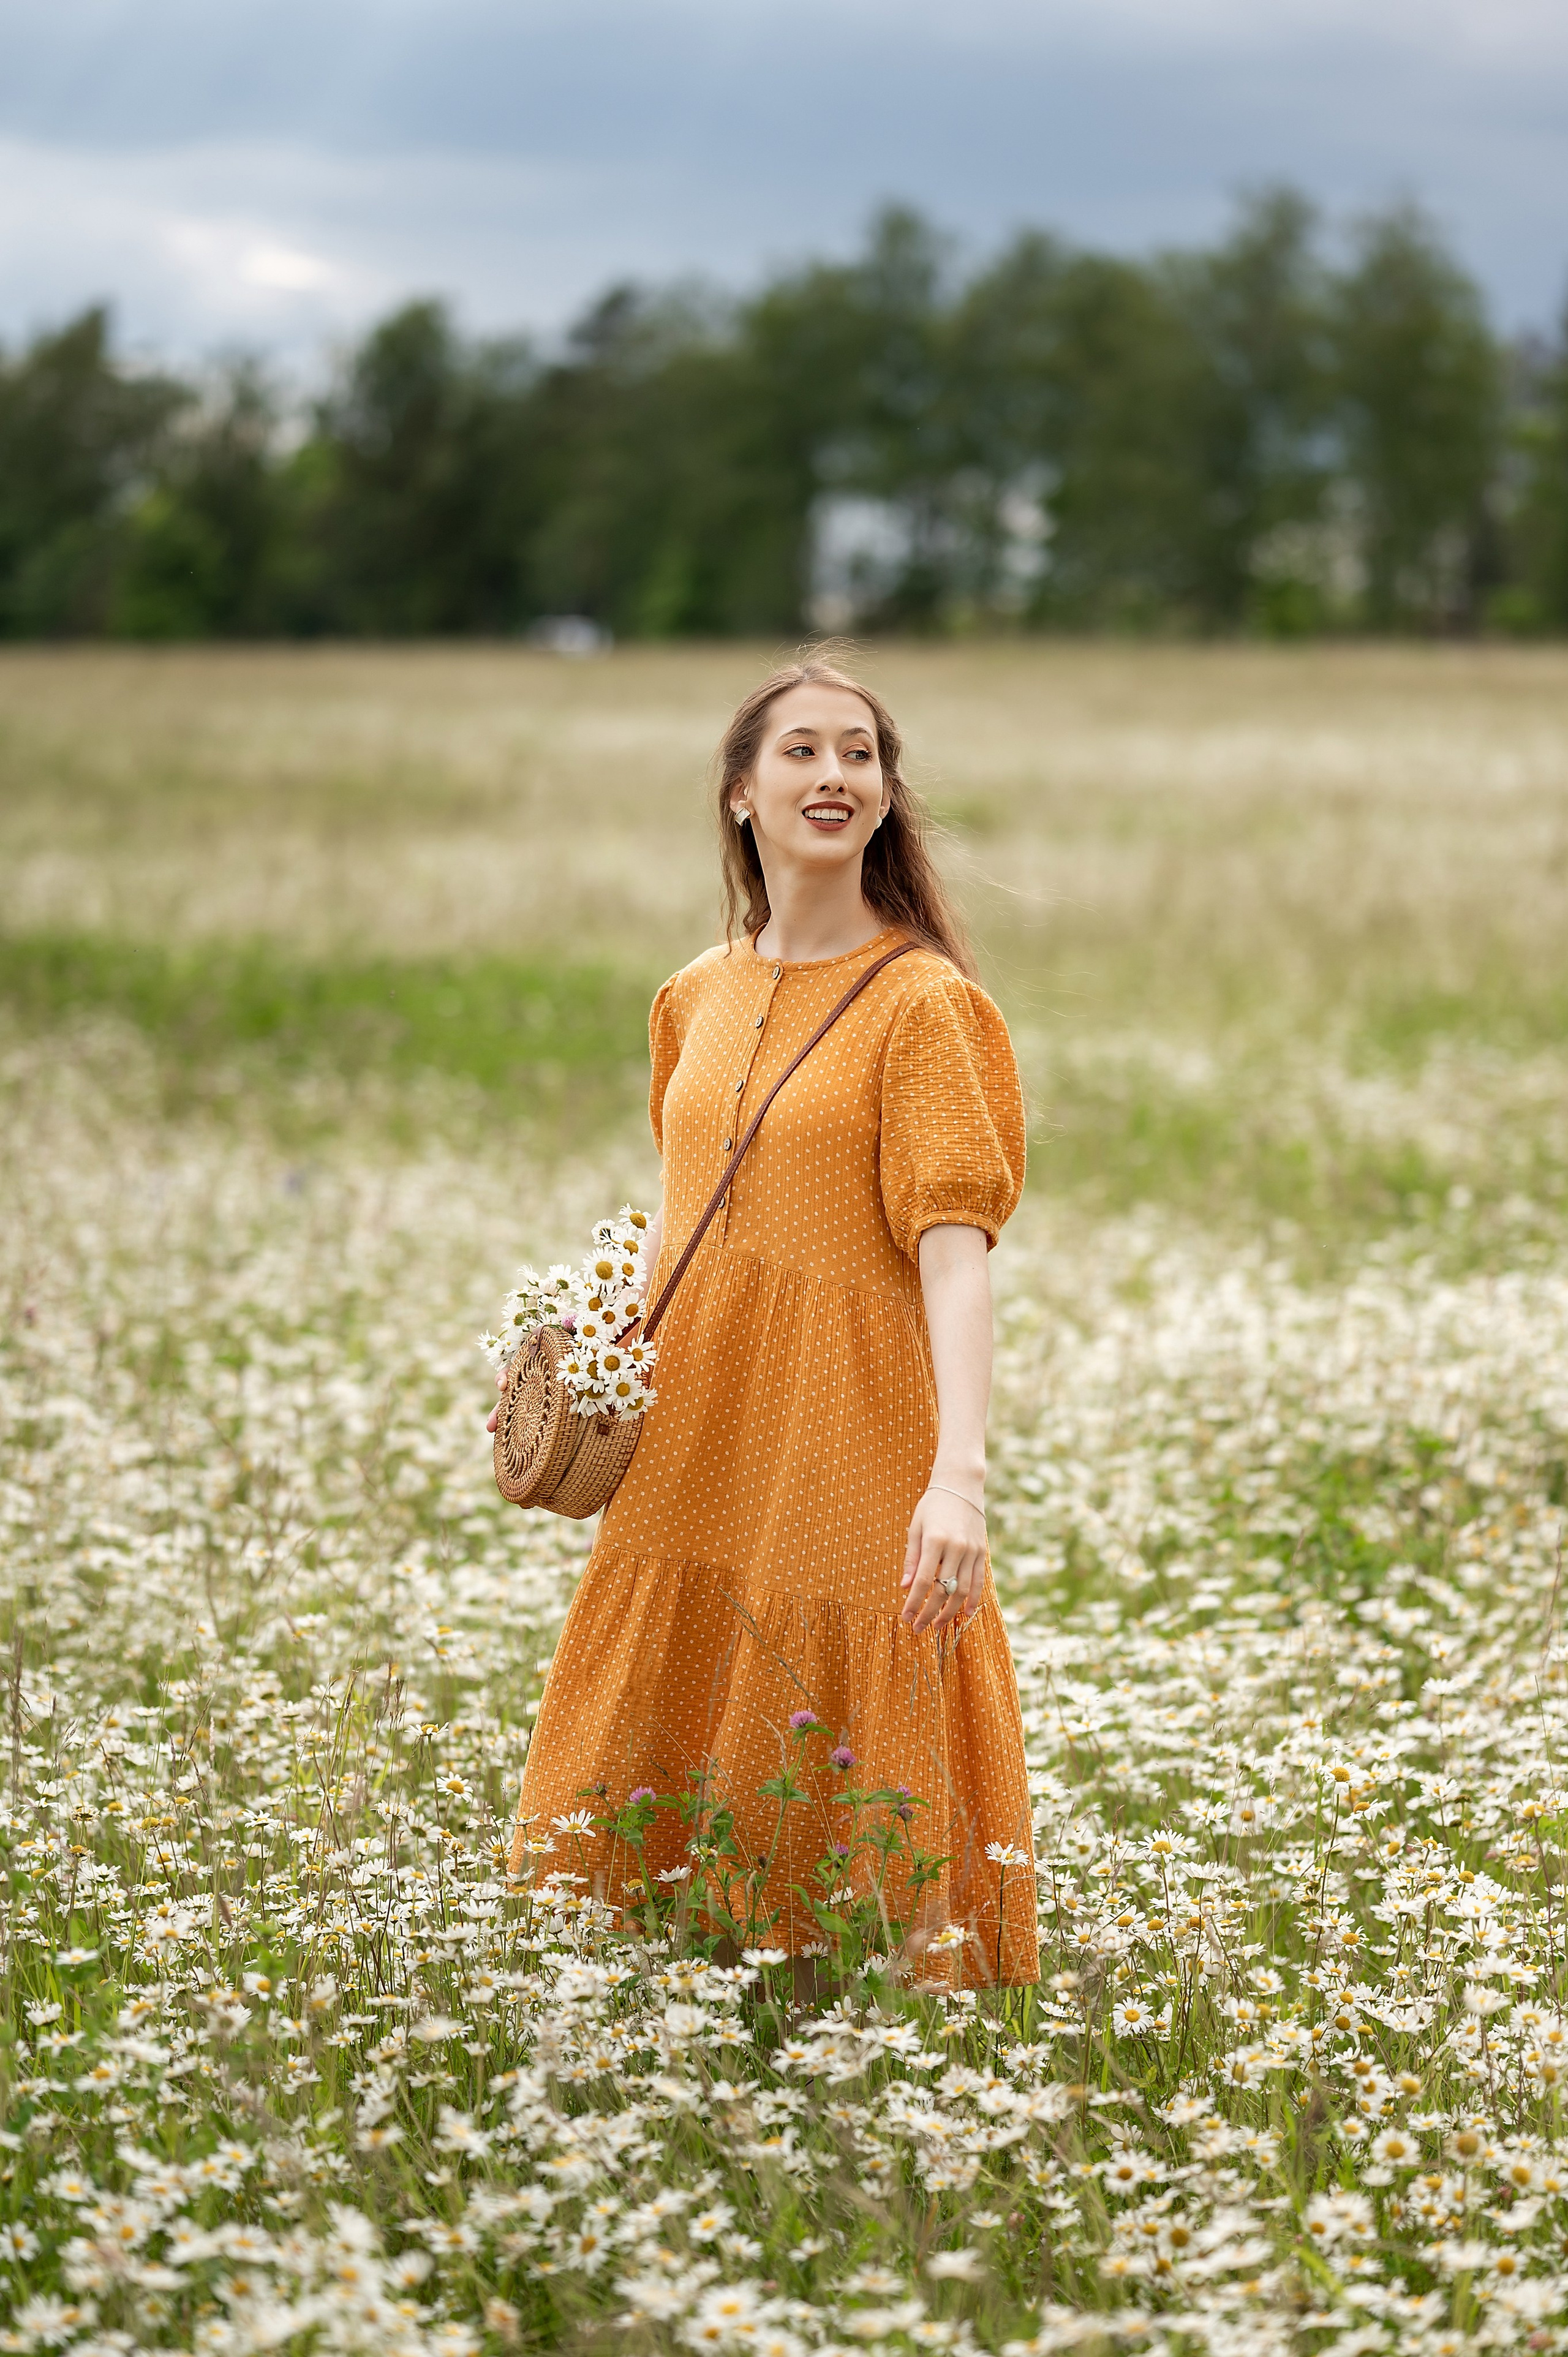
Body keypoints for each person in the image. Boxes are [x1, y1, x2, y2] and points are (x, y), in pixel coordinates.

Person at [494, 653, 1037, 1985]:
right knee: (672, 1680)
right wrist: (586, 1349)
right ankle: (678, 1986)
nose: (833, 774)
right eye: (801, 750)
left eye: (859, 753)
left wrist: (958, 1480)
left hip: (849, 1421)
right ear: (741, 792)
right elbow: (683, 1212)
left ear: (886, 795)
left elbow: (955, 1260)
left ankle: (842, 2002)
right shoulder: (692, 995)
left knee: (833, 1689)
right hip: (694, 1428)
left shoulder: (924, 1006)